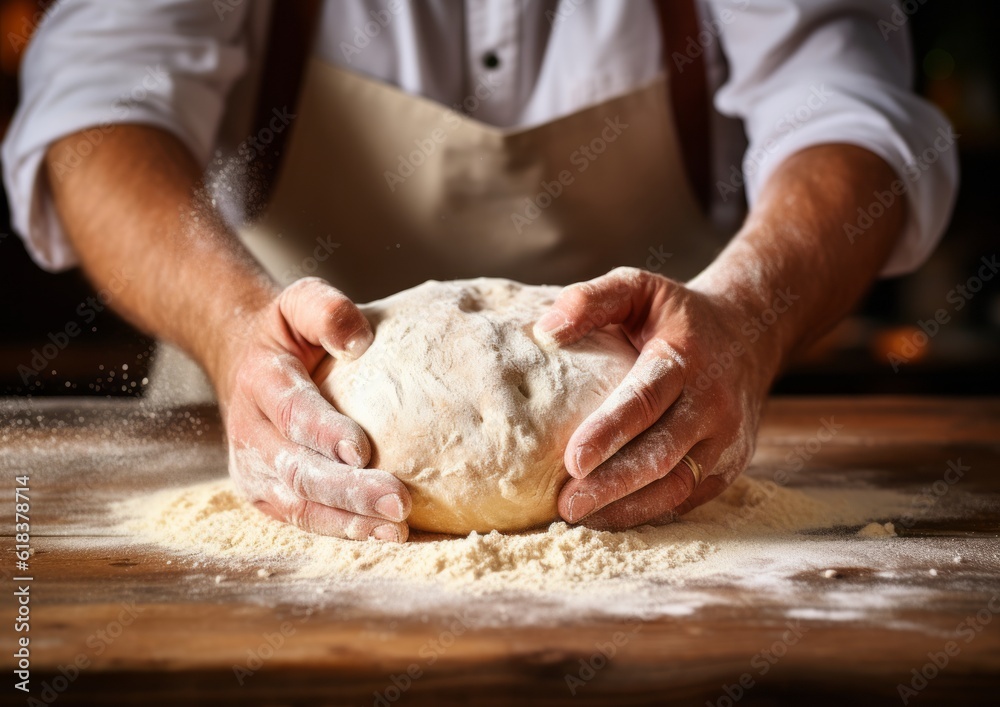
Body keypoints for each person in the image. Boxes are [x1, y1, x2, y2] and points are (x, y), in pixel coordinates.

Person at [2, 1, 957, 542]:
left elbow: (849, 109)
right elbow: (92, 115)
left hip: (672, 438)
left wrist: (746, 316)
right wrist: (228, 325)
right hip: (270, 408)